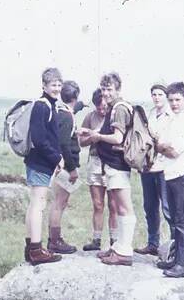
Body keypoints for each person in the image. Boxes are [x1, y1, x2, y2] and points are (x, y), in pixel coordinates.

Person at [77, 72, 136, 267]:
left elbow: (118, 138)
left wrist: (97, 136)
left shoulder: (118, 109)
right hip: (113, 164)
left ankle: (124, 251)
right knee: (119, 206)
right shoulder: (115, 107)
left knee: (123, 207)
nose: (106, 93)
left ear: (117, 89)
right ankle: (118, 247)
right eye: (103, 89)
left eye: (109, 89)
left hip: (118, 164)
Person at [152, 81, 184, 278]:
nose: (174, 103)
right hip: (170, 174)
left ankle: (183, 265)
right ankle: (176, 259)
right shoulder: (173, 120)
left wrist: (161, 146)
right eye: (171, 100)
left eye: (178, 100)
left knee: (183, 220)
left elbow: (172, 151)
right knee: (175, 219)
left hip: (181, 174)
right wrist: (162, 146)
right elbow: (162, 145)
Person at [22, 67, 65, 265]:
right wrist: (56, 157)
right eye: (52, 85)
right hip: (40, 163)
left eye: (58, 84)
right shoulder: (43, 106)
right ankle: (37, 250)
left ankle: (31, 248)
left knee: (34, 204)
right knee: (38, 205)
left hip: (39, 162)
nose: (56, 88)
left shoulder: (49, 104)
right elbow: (39, 139)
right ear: (44, 86)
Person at [134, 82, 173, 256]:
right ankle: (152, 243)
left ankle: (174, 245)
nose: (156, 98)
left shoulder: (171, 116)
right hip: (148, 167)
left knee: (167, 207)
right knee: (149, 206)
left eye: (160, 95)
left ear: (166, 97)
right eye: (154, 95)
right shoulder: (150, 114)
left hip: (165, 167)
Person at [78, 89, 119, 252]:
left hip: (112, 161)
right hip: (95, 162)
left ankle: (114, 241)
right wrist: (92, 138)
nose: (102, 110)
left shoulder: (116, 115)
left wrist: (100, 137)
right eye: (99, 108)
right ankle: (96, 240)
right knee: (98, 204)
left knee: (114, 205)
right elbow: (81, 142)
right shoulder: (90, 117)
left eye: (104, 107)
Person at [46, 80, 82, 254]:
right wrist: (72, 168)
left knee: (59, 202)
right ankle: (54, 241)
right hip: (66, 166)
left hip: (57, 165)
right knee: (59, 203)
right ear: (75, 96)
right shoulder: (67, 116)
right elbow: (64, 144)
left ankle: (54, 238)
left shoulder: (60, 111)